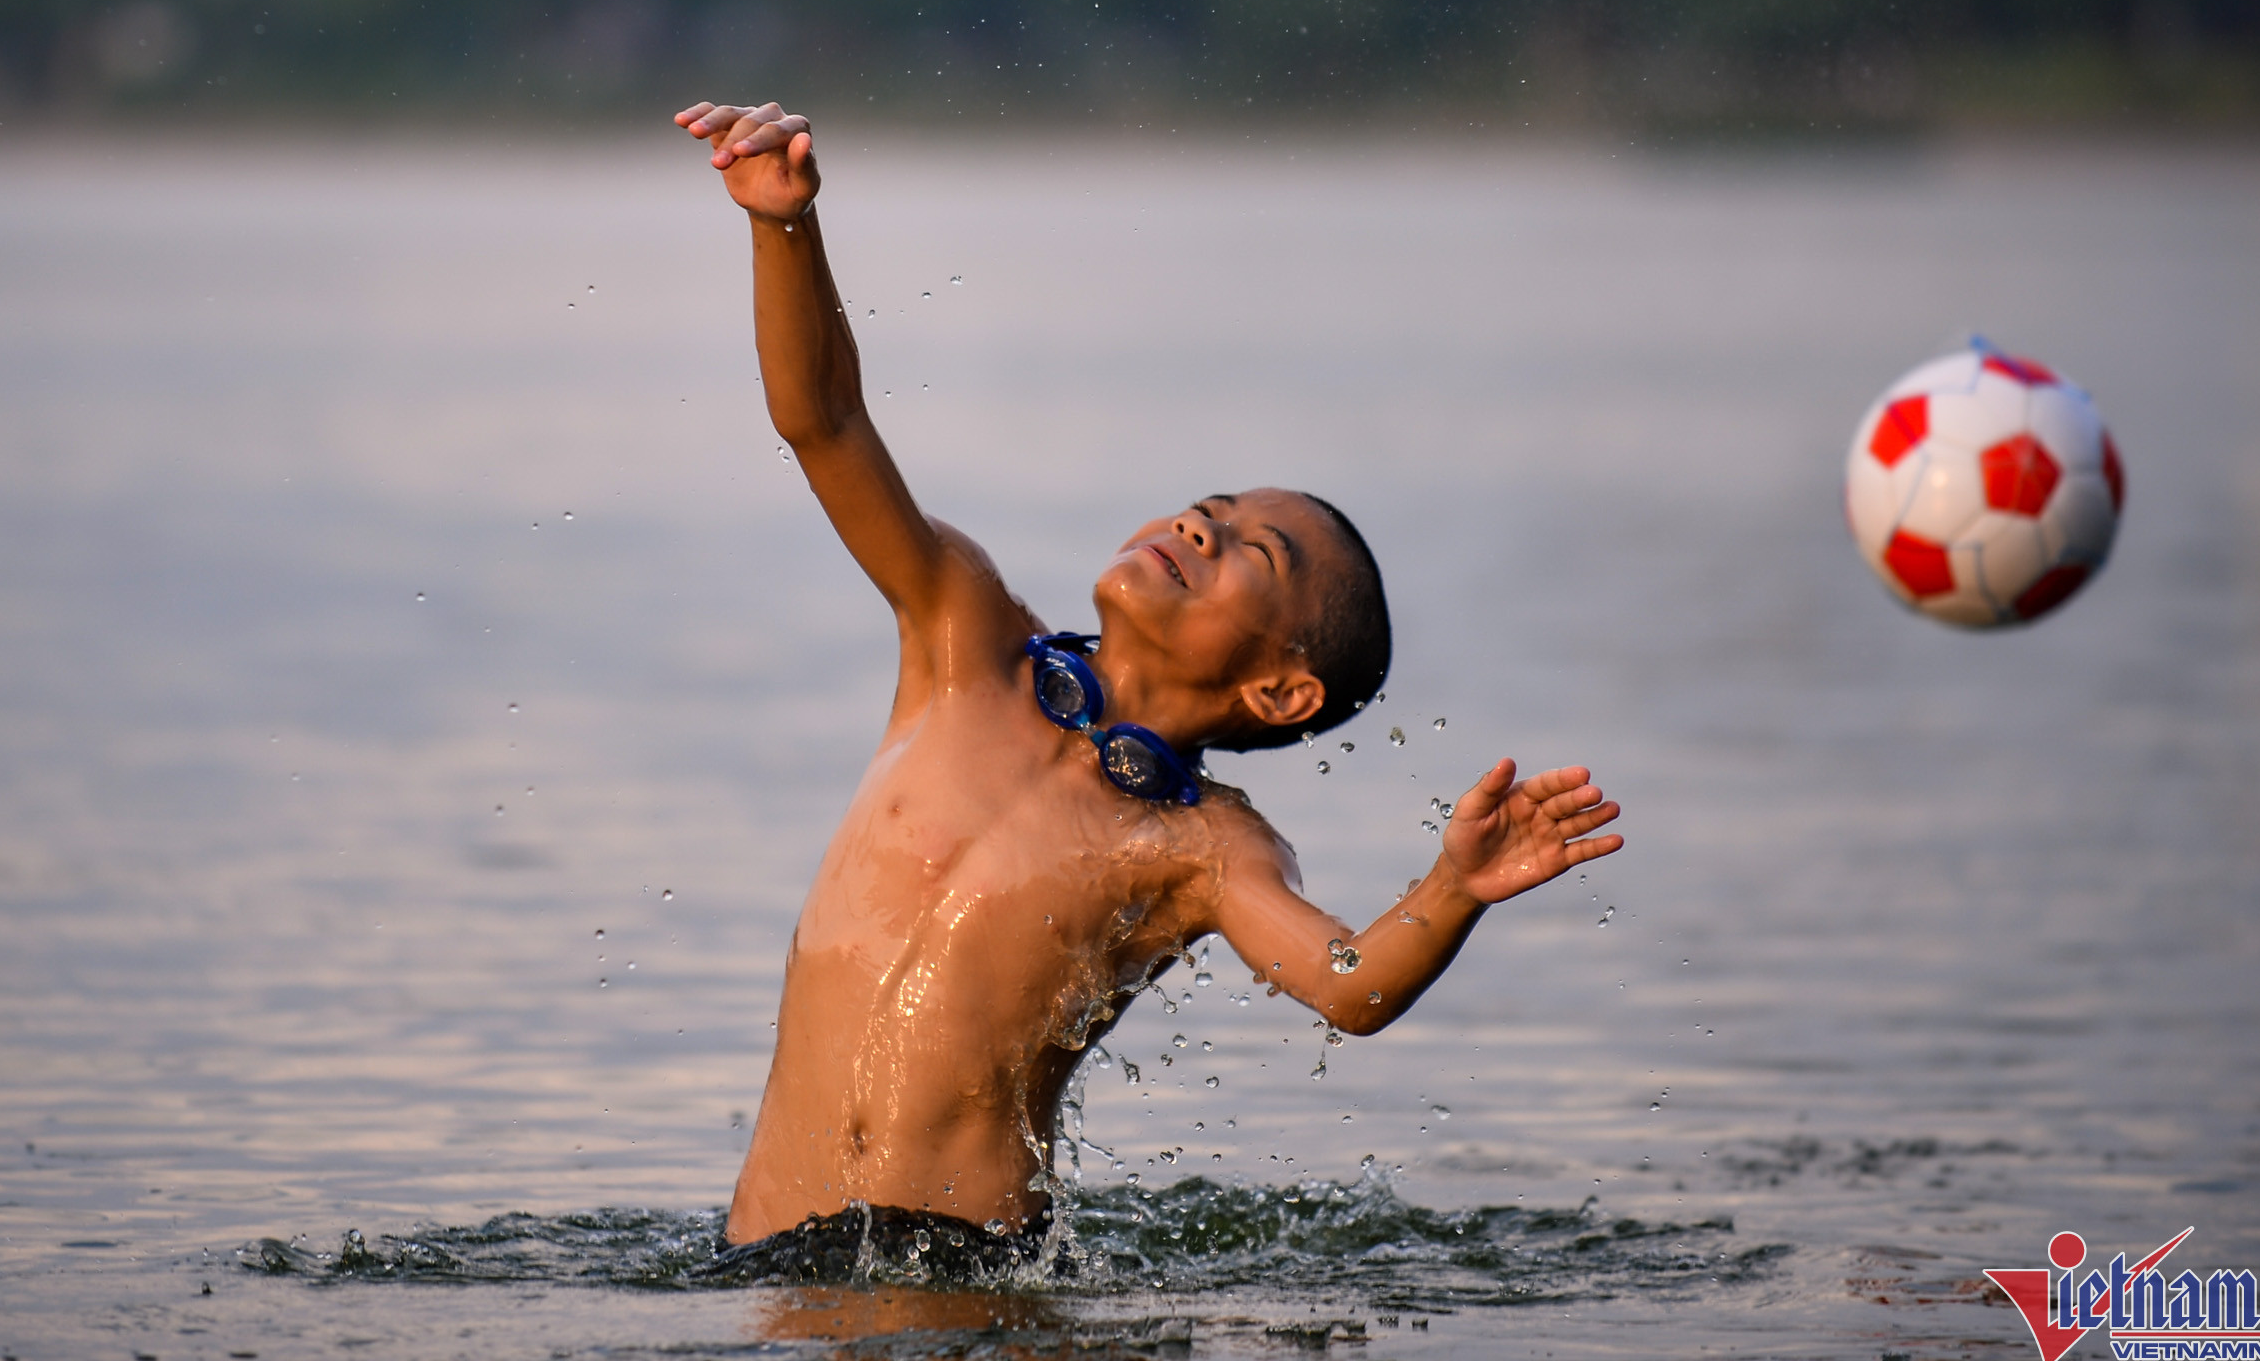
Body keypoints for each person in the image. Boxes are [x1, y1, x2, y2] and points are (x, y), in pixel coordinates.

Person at [674, 99, 1623, 1272]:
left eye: (1246, 554)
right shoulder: (963, 636)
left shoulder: (1202, 848)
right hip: (767, 1258)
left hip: (966, 1274)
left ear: (1281, 693)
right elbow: (822, 423)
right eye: (1208, 510)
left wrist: (1455, 884)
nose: (1197, 526)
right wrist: (786, 229)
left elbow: (1350, 987)